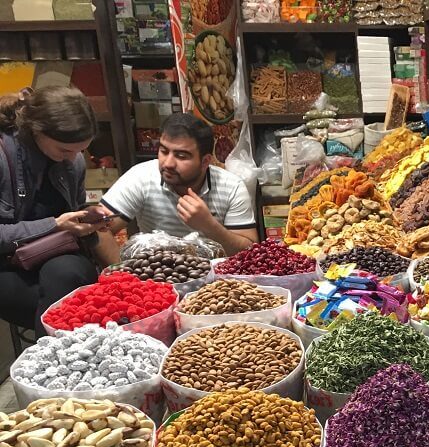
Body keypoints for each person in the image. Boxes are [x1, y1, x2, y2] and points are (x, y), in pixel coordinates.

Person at [0, 86, 106, 336]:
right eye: (65, 150)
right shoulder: (4, 158)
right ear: (37, 131)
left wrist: (86, 222)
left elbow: (73, 212)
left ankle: (56, 355)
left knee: (68, 278)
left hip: (56, 257)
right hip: (6, 265)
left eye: (80, 150)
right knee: (69, 307)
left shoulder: (74, 163)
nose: (73, 158)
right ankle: (53, 359)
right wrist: (54, 224)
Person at [97, 114, 257, 259]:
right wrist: (123, 277)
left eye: (181, 156)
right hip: (156, 277)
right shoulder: (141, 177)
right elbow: (98, 228)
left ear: (205, 161)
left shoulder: (231, 187)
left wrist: (209, 226)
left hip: (215, 283)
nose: (168, 163)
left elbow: (249, 252)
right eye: (164, 151)